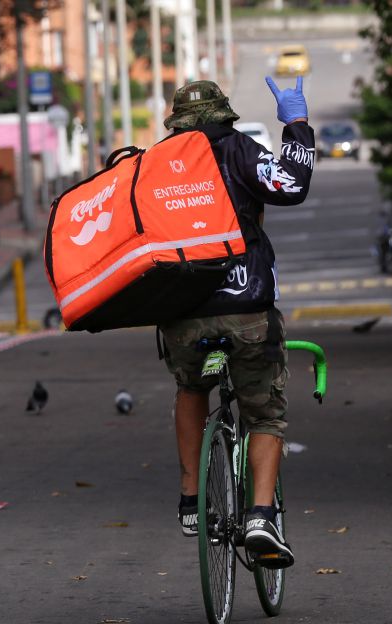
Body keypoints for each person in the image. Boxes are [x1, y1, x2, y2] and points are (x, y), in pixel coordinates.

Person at [157, 77, 313, 568]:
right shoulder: (237, 150)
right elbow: (291, 185)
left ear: (177, 124)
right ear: (225, 117)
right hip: (247, 310)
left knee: (191, 387)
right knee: (264, 414)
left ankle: (190, 499)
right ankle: (261, 518)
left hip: (181, 316)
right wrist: (297, 125)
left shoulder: (156, 165)